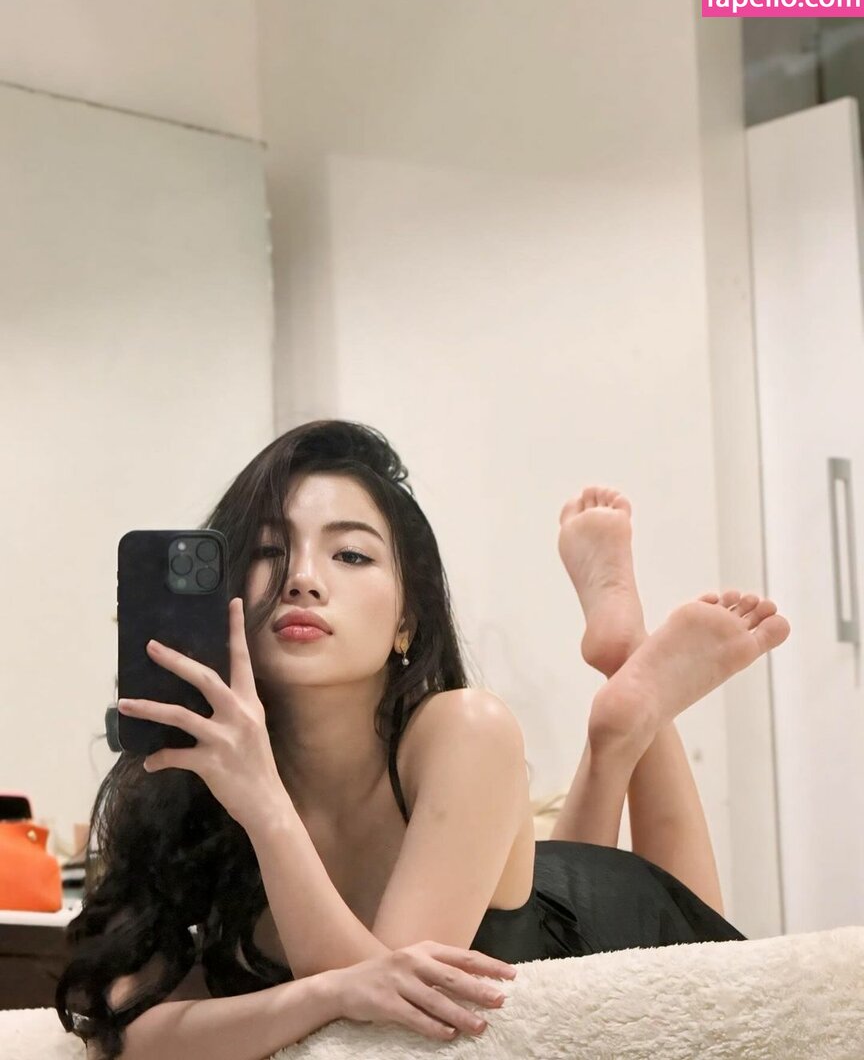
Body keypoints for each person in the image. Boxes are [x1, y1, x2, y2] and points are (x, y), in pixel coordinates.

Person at [55, 419, 790, 1059]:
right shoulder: (185, 769)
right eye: (272, 551)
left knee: (705, 973)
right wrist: (321, 995)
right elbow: (120, 1033)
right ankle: (621, 718)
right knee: (527, 907)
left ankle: (626, 708)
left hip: (602, 917)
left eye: (351, 555)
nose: (303, 579)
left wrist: (266, 807)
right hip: (514, 909)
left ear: (407, 619)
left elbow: (390, 1029)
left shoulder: (467, 727)